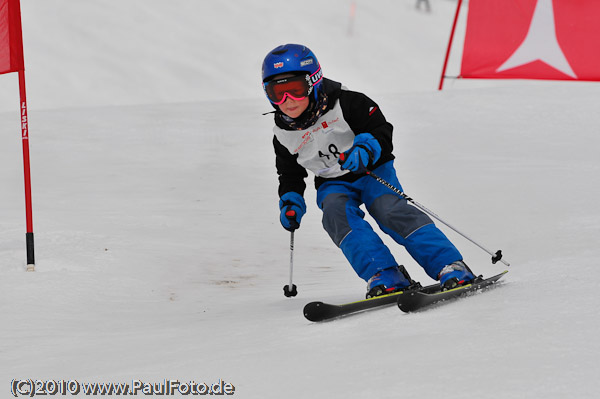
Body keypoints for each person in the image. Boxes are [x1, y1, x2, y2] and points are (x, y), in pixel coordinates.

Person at [262, 44, 475, 297]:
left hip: (372, 171)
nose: (288, 101)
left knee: (389, 210)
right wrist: (291, 199)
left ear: (313, 82)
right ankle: (384, 273)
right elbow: (290, 174)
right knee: (336, 215)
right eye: (277, 93)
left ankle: (448, 265)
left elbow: (381, 131)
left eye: (295, 90)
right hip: (332, 182)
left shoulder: (349, 103)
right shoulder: (283, 135)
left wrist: (365, 149)